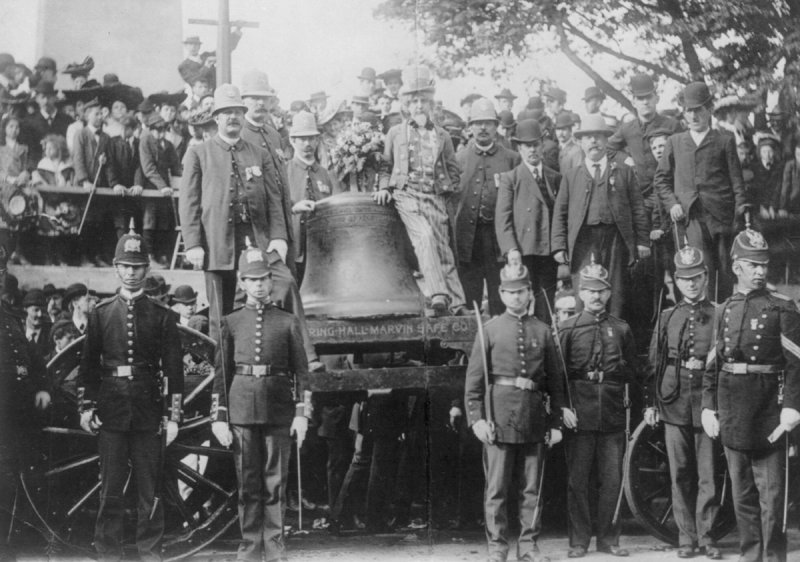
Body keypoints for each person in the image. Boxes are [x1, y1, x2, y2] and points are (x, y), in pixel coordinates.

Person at [179, 84, 324, 372]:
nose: (232, 117)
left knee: (285, 284)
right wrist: (194, 243)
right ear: (216, 118)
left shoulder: (259, 152)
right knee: (221, 310)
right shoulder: (200, 154)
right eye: (226, 112)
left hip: (257, 239)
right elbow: (189, 202)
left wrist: (280, 237)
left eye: (237, 112)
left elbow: (274, 198)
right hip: (218, 242)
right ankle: (223, 377)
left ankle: (305, 356)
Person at [77, 226, 183, 562]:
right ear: (116, 268)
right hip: (111, 412)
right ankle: (108, 553)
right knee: (110, 491)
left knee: (148, 491)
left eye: (137, 267)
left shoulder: (163, 316)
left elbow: (175, 371)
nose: (132, 272)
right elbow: (88, 368)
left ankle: (149, 553)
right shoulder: (101, 314)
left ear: (146, 270)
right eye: (125, 266)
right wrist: (86, 407)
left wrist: (174, 416)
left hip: (149, 413)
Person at [701, 228, 800, 562]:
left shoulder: (782, 308)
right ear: (735, 267)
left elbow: (796, 364)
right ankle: (751, 556)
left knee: (772, 499)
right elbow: (713, 365)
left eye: (763, 264)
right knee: (742, 497)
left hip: (769, 416)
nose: (759, 271)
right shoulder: (724, 309)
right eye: (751, 264)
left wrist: (791, 407)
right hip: (732, 413)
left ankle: (773, 558)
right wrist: (707, 407)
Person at [210, 241, 310, 562]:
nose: (258, 285)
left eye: (263, 278)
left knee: (275, 483)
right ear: (241, 282)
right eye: (251, 279)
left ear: (271, 281)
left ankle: (275, 546)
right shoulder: (231, 322)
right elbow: (221, 374)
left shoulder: (288, 322)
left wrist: (301, 414)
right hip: (240, 410)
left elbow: (302, 373)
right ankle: (251, 548)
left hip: (279, 410)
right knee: (248, 484)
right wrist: (219, 417)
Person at [465, 263, 565, 562]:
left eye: (521, 291)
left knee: (531, 488)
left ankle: (529, 545)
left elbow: (556, 382)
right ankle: (497, 547)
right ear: (501, 293)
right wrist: (477, 419)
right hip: (499, 418)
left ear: (530, 293)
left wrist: (557, 421)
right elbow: (474, 382)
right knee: (496, 489)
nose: (516, 298)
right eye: (509, 292)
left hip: (533, 418)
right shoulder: (490, 331)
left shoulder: (543, 331)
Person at [644, 245, 722, 559]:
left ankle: (707, 537)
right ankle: (686, 539)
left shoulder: (719, 313)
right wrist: (650, 403)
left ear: (706, 277)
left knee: (708, 473)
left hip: (706, 401)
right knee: (679, 473)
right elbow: (654, 362)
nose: (691, 284)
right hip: (672, 400)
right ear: (676, 280)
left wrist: (715, 404)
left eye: (697, 277)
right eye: (685, 279)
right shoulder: (667, 316)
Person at [558, 261, 640, 558]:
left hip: (613, 413)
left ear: (608, 293)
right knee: (577, 481)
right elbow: (558, 376)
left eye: (601, 291)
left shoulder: (621, 329)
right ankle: (579, 541)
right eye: (590, 291)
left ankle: (608, 539)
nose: (595, 296)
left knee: (612, 480)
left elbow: (632, 372)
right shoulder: (568, 329)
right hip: (579, 414)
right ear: (581, 293)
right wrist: (563, 408)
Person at [374, 65, 466, 316]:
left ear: (431, 104)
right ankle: (438, 294)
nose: (418, 106)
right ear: (405, 105)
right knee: (424, 237)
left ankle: (458, 304)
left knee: (443, 250)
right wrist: (384, 188)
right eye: (413, 101)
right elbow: (385, 166)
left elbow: (453, 168)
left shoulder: (443, 135)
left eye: (423, 101)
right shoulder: (395, 133)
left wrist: (448, 189)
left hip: (434, 196)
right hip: (406, 194)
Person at [654, 81, 749, 302]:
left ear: (709, 110)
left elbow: (737, 181)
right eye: (689, 111)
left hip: (721, 216)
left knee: (725, 271)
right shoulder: (675, 142)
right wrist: (673, 204)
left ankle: (724, 316)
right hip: (690, 217)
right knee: (699, 267)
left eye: (698, 110)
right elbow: (661, 180)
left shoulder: (724, 140)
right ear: (683, 113)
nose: (694, 116)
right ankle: (702, 320)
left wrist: (739, 210)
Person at [551, 114, 650, 318]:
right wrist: (560, 245)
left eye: (598, 136)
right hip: (584, 241)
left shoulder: (624, 172)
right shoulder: (572, 176)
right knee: (586, 290)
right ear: (580, 142)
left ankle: (614, 341)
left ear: (606, 140)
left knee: (616, 290)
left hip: (616, 239)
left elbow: (638, 208)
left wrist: (642, 241)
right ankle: (585, 340)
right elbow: (560, 211)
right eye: (588, 137)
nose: (593, 141)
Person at [0, 247, 50, 562]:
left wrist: (44, 387)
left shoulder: (11, 318)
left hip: (16, 419)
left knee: (12, 483)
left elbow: (35, 362)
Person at [454, 98, 521, 316]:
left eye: (488, 123)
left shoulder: (511, 159)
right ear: (470, 127)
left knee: (500, 299)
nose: (483, 128)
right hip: (468, 241)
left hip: (497, 242)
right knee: (469, 301)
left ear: (496, 126)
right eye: (478, 123)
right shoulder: (458, 158)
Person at [496, 119, 561, 323]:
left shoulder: (555, 177)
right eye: (527, 146)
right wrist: (511, 249)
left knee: (546, 306)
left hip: (548, 252)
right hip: (524, 252)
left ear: (542, 146)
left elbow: (561, 215)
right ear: (519, 148)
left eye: (536, 144)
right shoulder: (511, 178)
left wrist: (560, 247)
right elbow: (503, 218)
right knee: (520, 303)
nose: (532, 150)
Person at [239, 70, 295, 271]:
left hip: (281, 223)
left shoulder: (273, 134)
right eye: (255, 98)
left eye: (264, 98)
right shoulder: (240, 135)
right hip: (258, 229)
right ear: (243, 100)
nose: (261, 103)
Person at [285, 110, 341, 283]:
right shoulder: (283, 170)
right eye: (302, 139)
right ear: (292, 141)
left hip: (321, 247)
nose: (307, 143)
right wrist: (294, 208)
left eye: (311, 138)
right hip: (293, 247)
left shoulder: (326, 174)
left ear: (317, 141)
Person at [139, 113, 180, 267]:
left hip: (165, 190)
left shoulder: (168, 145)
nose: (161, 132)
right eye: (157, 129)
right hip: (150, 187)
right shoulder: (145, 142)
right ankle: (148, 256)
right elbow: (148, 168)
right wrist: (162, 186)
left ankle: (162, 255)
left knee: (163, 222)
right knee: (149, 220)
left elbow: (176, 168)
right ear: (150, 129)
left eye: (164, 128)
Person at [21, 80, 72, 166]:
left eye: (49, 97)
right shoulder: (29, 121)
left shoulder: (67, 120)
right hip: (38, 167)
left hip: (63, 165)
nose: (45, 101)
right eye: (42, 97)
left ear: (55, 98)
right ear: (37, 99)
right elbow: (30, 151)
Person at [22, 288, 52, 360]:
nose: (40, 314)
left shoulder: (51, 331)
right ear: (25, 309)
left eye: (43, 310)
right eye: (36, 310)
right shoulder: (17, 330)